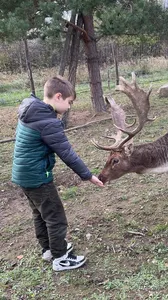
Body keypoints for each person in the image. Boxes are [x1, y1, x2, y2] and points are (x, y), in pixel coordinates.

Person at [11, 76, 104, 272]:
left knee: (40, 214)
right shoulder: (48, 121)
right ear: (59, 96)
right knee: (55, 216)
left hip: (23, 175)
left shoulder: (31, 110)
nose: (69, 107)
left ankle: (49, 249)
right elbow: (67, 154)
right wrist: (88, 175)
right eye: (69, 102)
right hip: (37, 177)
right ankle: (61, 258)